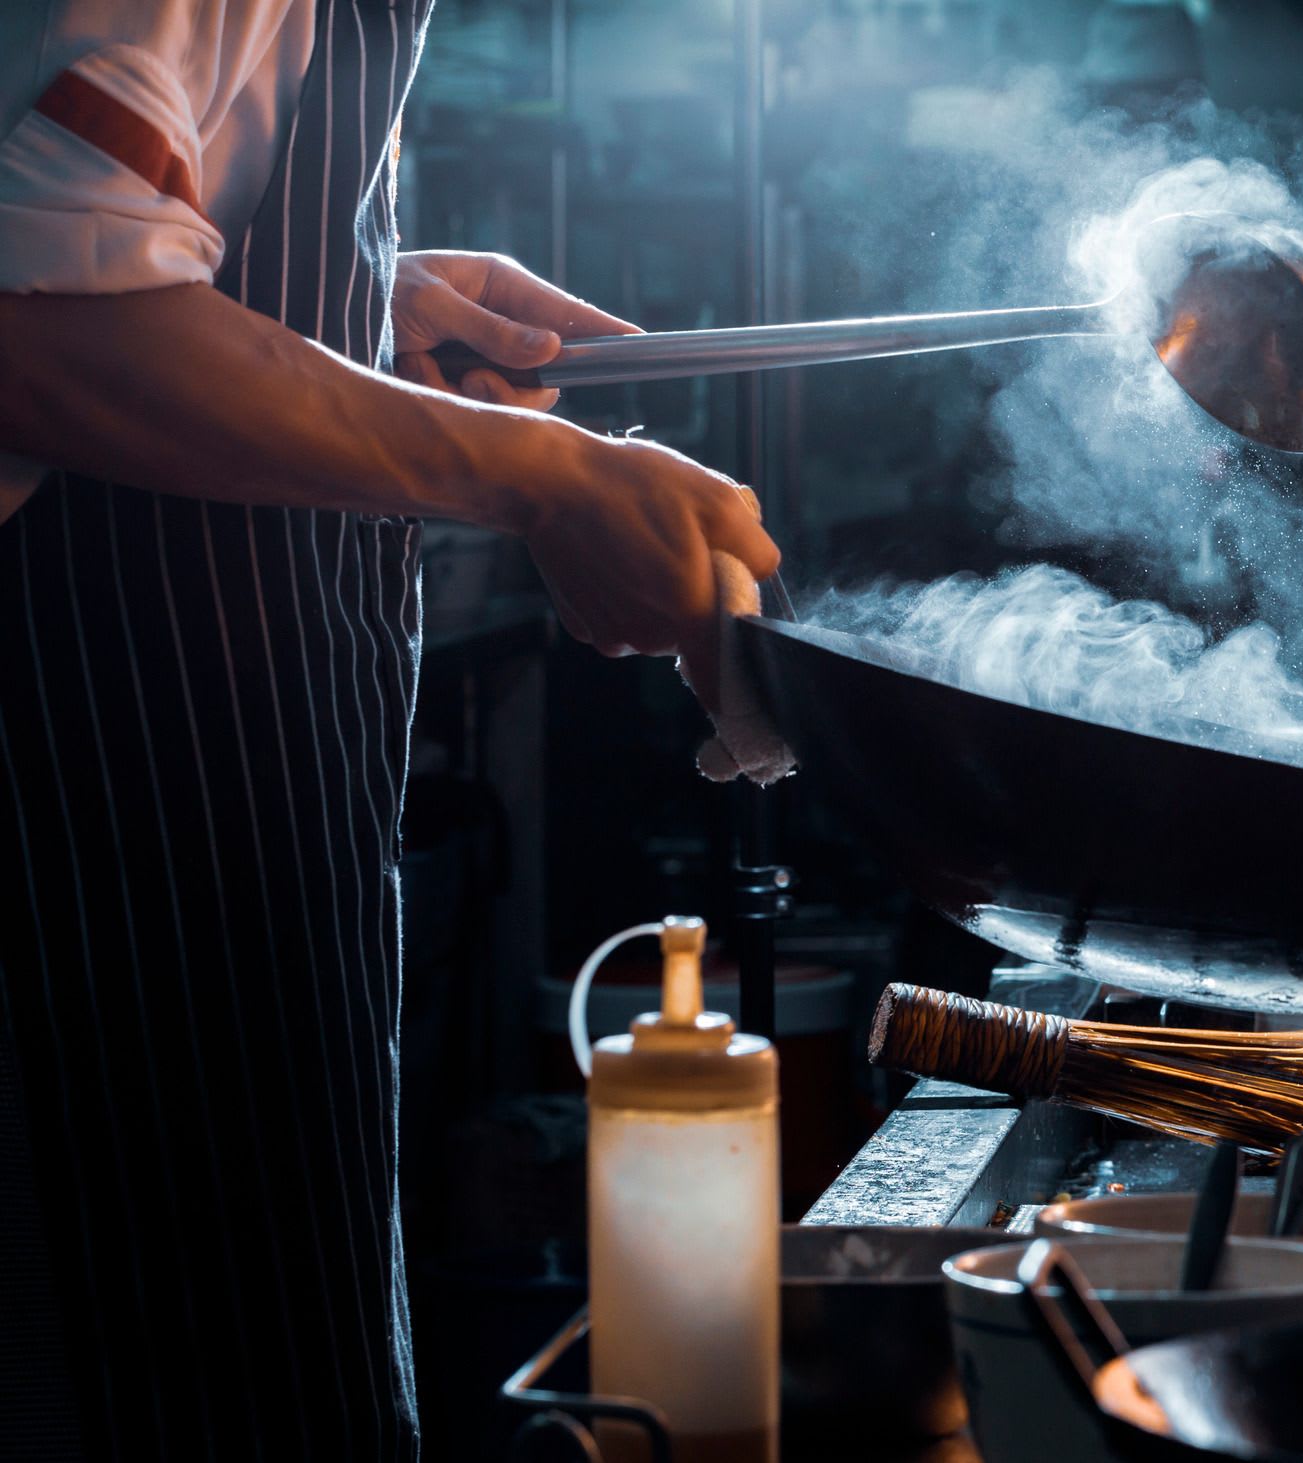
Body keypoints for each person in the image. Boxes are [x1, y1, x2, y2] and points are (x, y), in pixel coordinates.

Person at [0, 3, 779, 1457]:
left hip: (228, 841)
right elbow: (35, 326)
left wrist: (354, 307)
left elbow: (87, 221)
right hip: (73, 848)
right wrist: (536, 477)